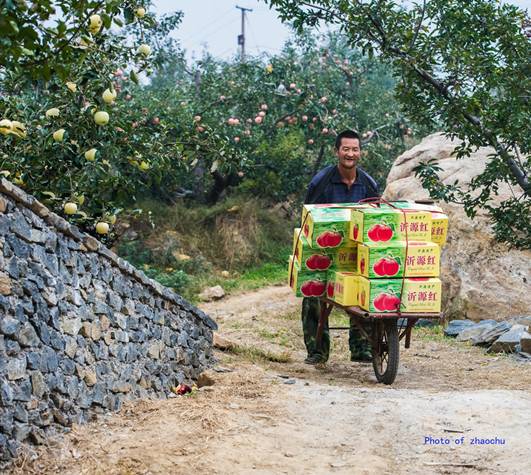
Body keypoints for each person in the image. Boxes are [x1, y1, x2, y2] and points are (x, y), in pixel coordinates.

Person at [302, 129, 379, 365]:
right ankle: (317, 351)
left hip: (356, 253)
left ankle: (361, 348)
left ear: (360, 153)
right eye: (346, 149)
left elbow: (376, 219)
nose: (350, 154)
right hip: (325, 253)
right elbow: (308, 219)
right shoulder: (321, 182)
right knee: (313, 295)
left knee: (364, 293)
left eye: (355, 149)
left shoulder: (368, 184)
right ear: (337, 151)